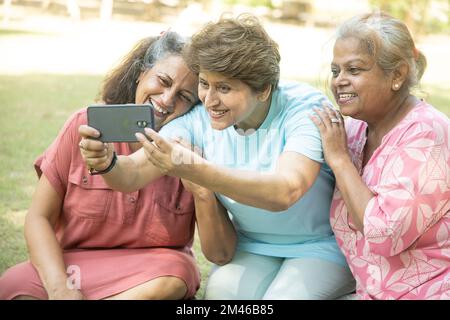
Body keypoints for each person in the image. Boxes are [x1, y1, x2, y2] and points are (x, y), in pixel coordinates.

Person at [80, 14, 356, 300]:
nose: (210, 100)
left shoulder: (304, 108)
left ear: (263, 90)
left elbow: (285, 191)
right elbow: (132, 174)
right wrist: (108, 163)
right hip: (253, 246)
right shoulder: (198, 119)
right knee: (221, 295)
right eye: (204, 84)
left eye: (224, 88)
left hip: (322, 244)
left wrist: (195, 169)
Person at [0, 31, 236, 300]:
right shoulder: (84, 126)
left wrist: (201, 188)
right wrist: (59, 288)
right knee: (12, 283)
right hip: (75, 266)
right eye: (163, 81)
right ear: (141, 73)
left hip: (151, 274)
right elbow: (38, 218)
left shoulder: (192, 148)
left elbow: (220, 253)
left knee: (178, 271)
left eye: (184, 95)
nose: (168, 99)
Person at [311, 12, 450, 300]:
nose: (339, 81)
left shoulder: (427, 134)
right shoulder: (356, 129)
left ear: (397, 75)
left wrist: (339, 161)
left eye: (355, 70)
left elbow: (383, 234)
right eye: (336, 71)